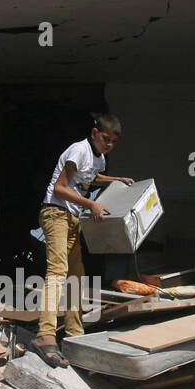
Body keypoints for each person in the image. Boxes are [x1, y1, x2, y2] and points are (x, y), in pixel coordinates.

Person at [31, 113, 135, 368]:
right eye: (105, 139)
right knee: (58, 271)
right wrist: (92, 204)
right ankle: (45, 334)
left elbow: (91, 178)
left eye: (113, 142)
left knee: (76, 275)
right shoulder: (78, 150)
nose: (108, 145)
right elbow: (61, 188)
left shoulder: (98, 158)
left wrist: (116, 179)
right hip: (55, 212)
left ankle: (75, 335)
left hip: (72, 217)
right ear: (94, 133)